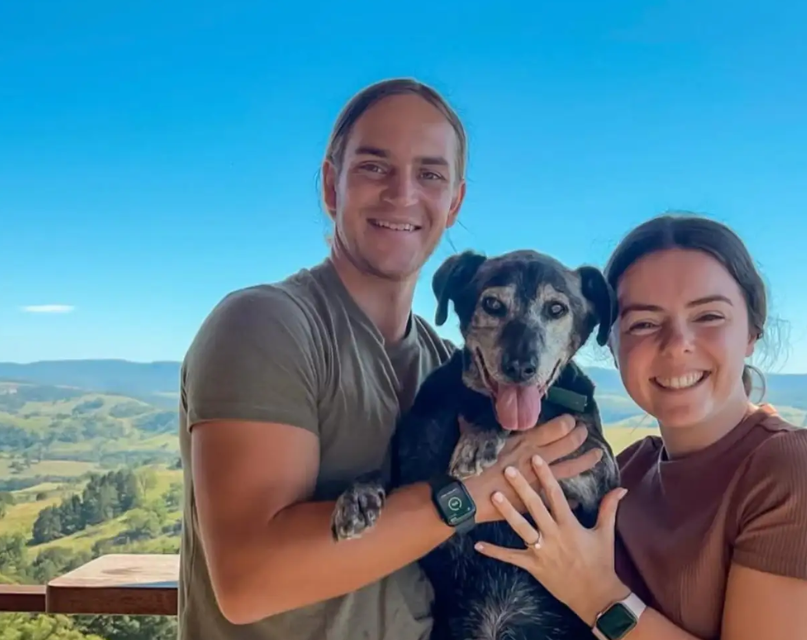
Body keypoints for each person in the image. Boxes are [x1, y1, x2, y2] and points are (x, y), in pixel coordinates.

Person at [175, 77, 602, 640]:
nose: (403, 194)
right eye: (374, 167)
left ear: (454, 202)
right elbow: (249, 582)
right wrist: (471, 495)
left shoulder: (449, 366)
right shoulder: (266, 324)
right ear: (331, 186)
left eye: (429, 174)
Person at [474, 213, 807, 640]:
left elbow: (584, 591)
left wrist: (598, 597)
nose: (677, 343)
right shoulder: (627, 470)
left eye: (709, 316)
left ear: (752, 331)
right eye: (643, 323)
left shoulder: (799, 472)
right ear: (611, 343)